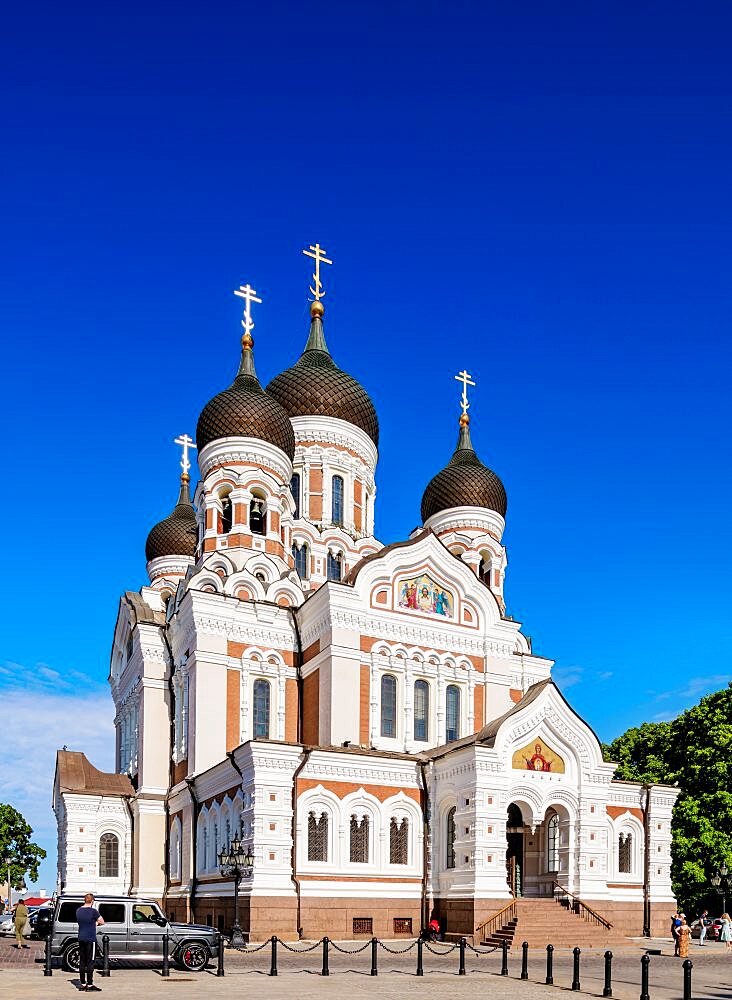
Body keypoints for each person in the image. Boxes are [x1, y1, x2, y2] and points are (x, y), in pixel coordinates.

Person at [76, 892, 104, 992]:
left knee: (82, 961)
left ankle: (82, 983)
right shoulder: (93, 911)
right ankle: (90, 984)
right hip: (90, 939)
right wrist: (95, 923)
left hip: (81, 938)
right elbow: (102, 921)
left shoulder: (78, 911)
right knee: (90, 961)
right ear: (92, 901)